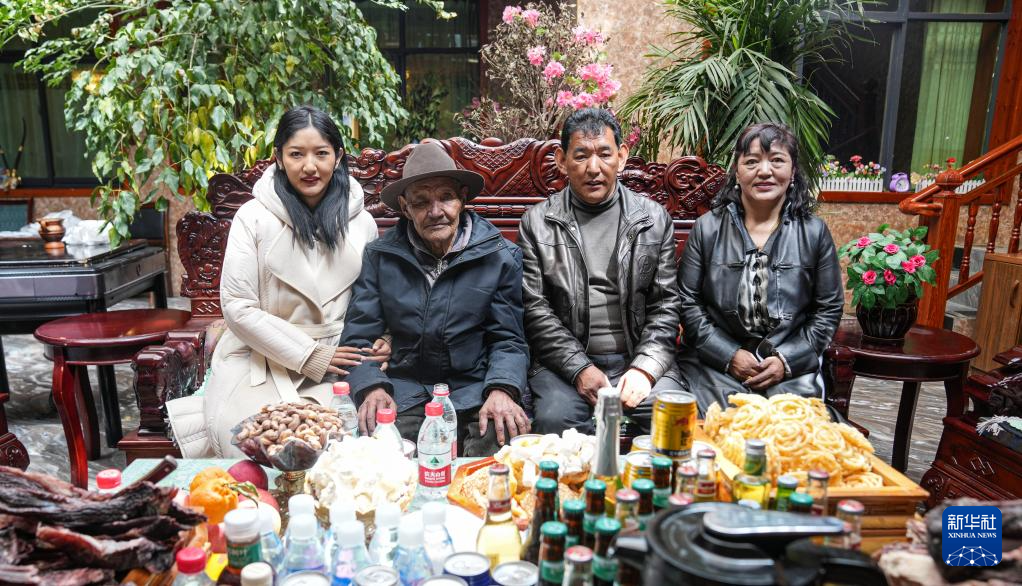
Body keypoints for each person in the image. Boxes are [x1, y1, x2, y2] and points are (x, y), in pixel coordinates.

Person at [166, 105, 389, 457]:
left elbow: (376, 298)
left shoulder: (362, 223)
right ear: (279, 158)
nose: (309, 166)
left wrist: (384, 338)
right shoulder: (252, 217)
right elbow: (238, 307)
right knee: (253, 443)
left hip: (340, 360)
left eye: (321, 153)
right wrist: (309, 355)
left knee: (344, 450)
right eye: (296, 154)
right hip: (260, 357)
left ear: (338, 157)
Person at [340, 141, 530, 455]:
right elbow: (359, 337)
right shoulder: (381, 256)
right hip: (405, 392)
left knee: (499, 441)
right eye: (421, 201)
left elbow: (508, 339)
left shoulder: (500, 257)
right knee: (383, 451)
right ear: (405, 207)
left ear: (462, 199)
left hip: (475, 390)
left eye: (446, 197)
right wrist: (371, 386)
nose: (436, 212)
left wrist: (501, 388)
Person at [518, 108, 683, 435]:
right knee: (556, 421)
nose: (593, 168)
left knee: (673, 418)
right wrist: (579, 368)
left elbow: (665, 307)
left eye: (604, 154)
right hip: (564, 365)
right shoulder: (537, 223)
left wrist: (645, 369)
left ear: (621, 157)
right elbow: (535, 310)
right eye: (581, 156)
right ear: (562, 161)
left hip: (636, 358)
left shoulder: (652, 220)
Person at [676, 122, 843, 414]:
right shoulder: (707, 229)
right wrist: (729, 355)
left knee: (790, 431)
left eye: (777, 160)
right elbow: (687, 302)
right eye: (752, 161)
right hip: (713, 366)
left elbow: (828, 309)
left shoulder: (814, 232)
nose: (764, 171)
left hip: (790, 369)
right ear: (737, 172)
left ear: (793, 171)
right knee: (718, 426)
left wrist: (785, 360)